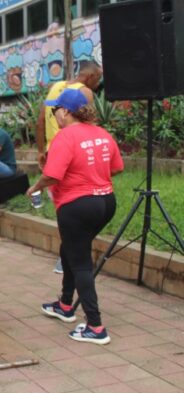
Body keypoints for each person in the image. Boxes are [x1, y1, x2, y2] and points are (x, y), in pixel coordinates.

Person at [27, 88, 124, 345]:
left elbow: (52, 175)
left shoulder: (65, 136)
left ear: (66, 112)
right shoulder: (102, 134)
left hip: (77, 206)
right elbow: (117, 167)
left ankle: (95, 326)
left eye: (55, 109)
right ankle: (65, 304)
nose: (54, 114)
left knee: (80, 261)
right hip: (105, 202)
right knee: (70, 248)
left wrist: (35, 187)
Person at [35, 61, 103, 274]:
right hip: (73, 155)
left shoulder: (55, 87)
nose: (98, 84)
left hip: (52, 154)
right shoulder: (84, 92)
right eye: (98, 79)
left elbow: (39, 122)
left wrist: (40, 151)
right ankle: (72, 258)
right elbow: (90, 126)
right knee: (82, 205)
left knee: (63, 209)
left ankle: (65, 258)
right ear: (90, 76)